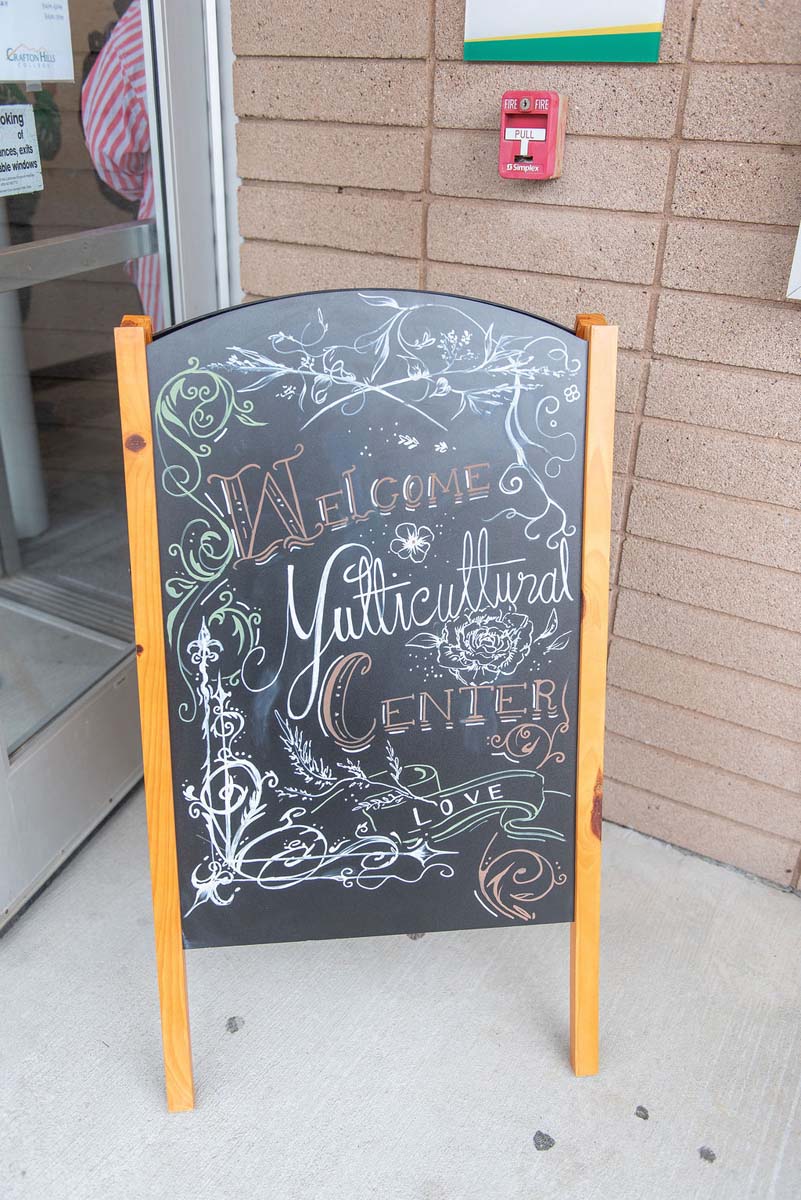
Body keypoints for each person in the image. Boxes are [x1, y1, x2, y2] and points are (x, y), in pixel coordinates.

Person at [81, 0, 162, 327]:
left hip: (171, 232)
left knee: (178, 365)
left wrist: (147, 187)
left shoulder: (142, 28)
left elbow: (109, 150)